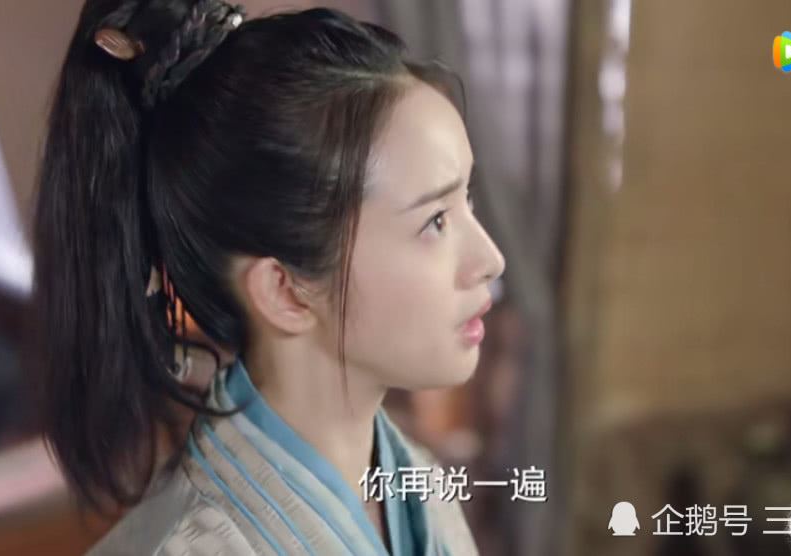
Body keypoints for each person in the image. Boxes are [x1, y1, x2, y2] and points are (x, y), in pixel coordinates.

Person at [32, 1, 505, 554]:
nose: (491, 259)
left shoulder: (419, 487)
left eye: (467, 199)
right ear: (285, 291)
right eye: (436, 221)